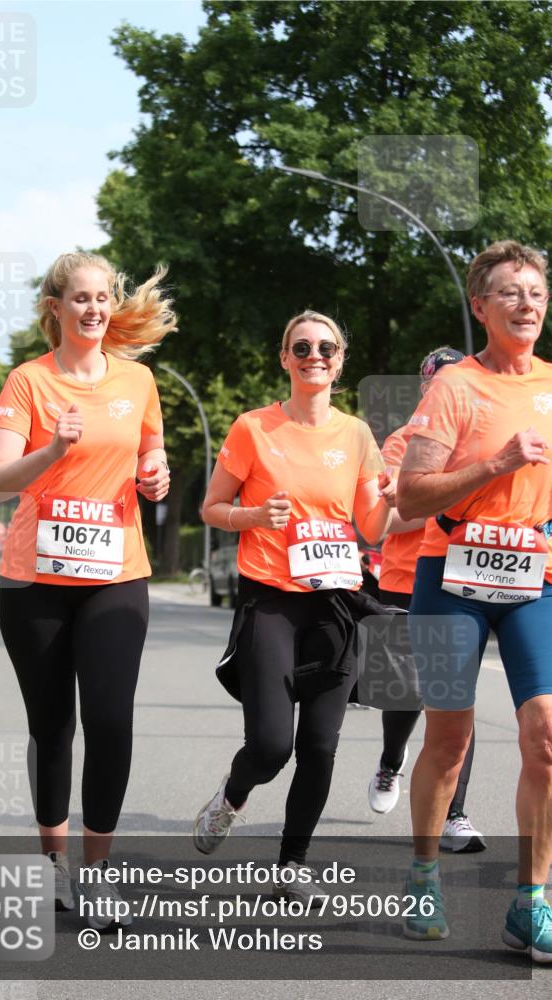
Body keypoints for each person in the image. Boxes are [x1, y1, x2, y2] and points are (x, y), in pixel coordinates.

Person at [0, 251, 175, 923]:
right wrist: (52, 451)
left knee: (111, 721)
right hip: (35, 582)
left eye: (102, 298)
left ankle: (96, 873)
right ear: (54, 308)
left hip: (116, 575)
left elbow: (150, 448)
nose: (93, 309)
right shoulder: (28, 382)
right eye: (79, 298)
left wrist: (155, 472)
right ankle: (53, 865)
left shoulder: (139, 380)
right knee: (53, 726)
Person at [192, 309, 395, 902]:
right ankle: (232, 795)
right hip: (271, 599)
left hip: (333, 601)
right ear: (284, 357)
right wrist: (252, 517)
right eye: (301, 346)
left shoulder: (357, 434)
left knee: (321, 746)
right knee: (273, 745)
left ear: (340, 359)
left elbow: (373, 525)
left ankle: (293, 862)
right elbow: (211, 507)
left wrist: (392, 496)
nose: (315, 355)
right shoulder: (254, 428)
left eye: (326, 347)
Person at [396, 240, 552, 958]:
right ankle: (424, 874)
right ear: (479, 306)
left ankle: (530, 902)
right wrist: (496, 461)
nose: (525, 303)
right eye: (509, 293)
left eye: (534, 291)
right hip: (446, 575)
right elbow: (411, 493)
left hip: (532, 579)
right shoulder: (454, 386)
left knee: (544, 737)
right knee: (448, 740)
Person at [367, 347, 486, 854]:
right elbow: (391, 519)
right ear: (426, 389)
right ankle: (392, 761)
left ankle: (455, 814)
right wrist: (447, 501)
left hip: (463, 580)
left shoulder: (485, 441)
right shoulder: (401, 443)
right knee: (405, 692)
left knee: (455, 698)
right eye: (439, 381)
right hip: (403, 578)